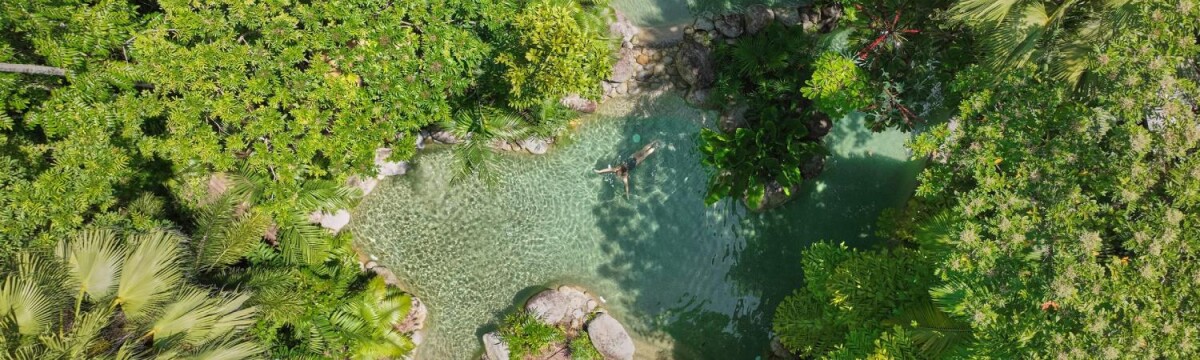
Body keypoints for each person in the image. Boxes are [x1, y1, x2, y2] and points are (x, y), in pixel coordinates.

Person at [595, 141, 659, 197]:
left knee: (645, 155)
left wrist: (599, 171)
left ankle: (654, 147)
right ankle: (653, 142)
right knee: (642, 151)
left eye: (617, 174)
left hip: (635, 162)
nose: (617, 174)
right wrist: (599, 171)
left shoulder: (624, 175)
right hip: (632, 158)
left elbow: (626, 186)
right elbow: (608, 170)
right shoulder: (617, 168)